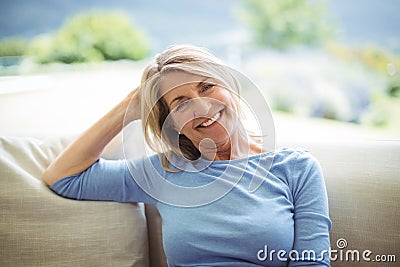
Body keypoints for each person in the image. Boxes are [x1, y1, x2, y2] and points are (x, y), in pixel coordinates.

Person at [42, 44, 332, 266]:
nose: (202, 108)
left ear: (230, 86)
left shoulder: (296, 168)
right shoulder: (164, 172)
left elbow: (313, 261)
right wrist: (129, 106)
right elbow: (64, 178)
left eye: (207, 87)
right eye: (181, 104)